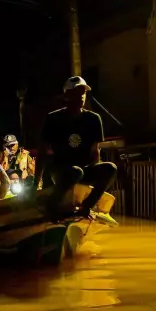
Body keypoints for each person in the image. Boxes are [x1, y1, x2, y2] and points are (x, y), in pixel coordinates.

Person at [34, 76, 117, 217]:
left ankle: (87, 206)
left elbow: (95, 151)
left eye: (83, 93)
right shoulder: (53, 119)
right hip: (61, 171)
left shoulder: (93, 119)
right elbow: (43, 152)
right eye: (76, 93)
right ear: (67, 95)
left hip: (84, 170)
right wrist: (36, 183)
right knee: (75, 172)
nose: (81, 97)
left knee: (110, 168)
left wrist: (97, 177)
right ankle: (51, 206)